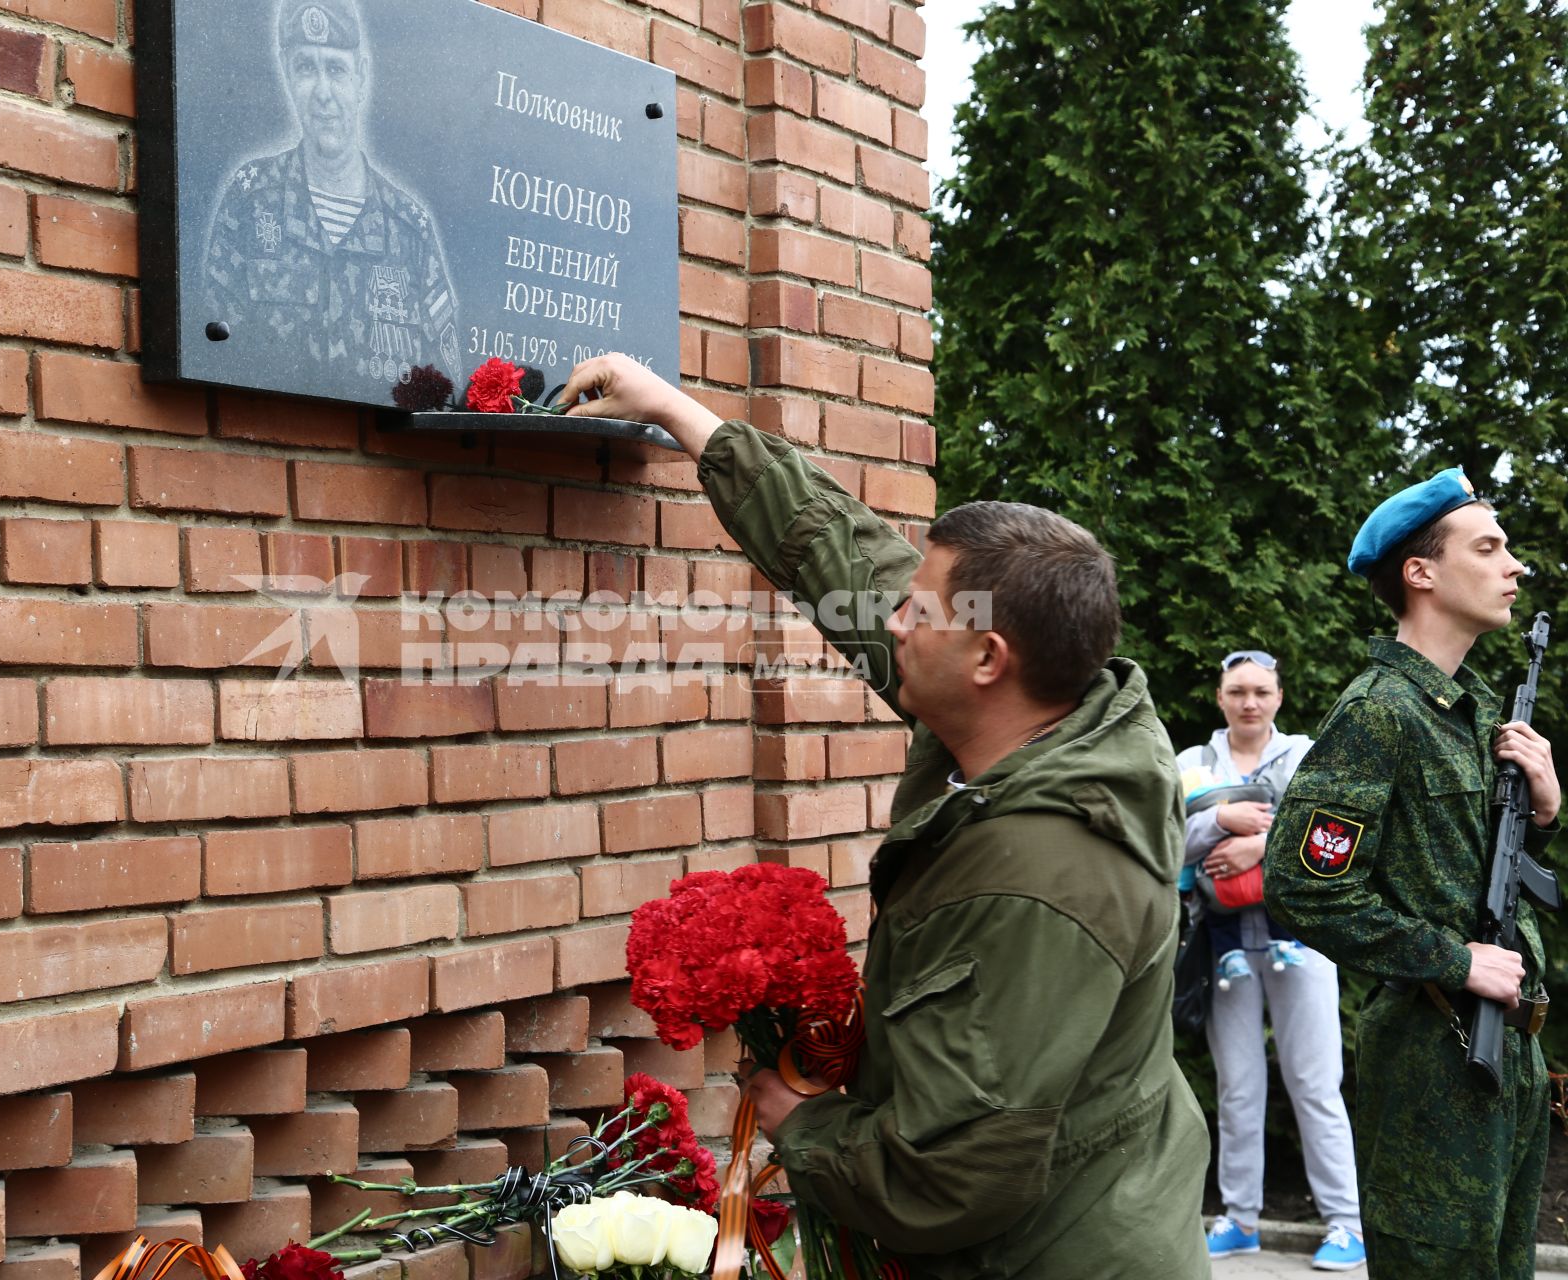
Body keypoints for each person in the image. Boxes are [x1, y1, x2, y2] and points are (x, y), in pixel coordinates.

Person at [559, 355, 1209, 1277]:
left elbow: (955, 1172)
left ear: (988, 655)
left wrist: (805, 1128)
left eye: (918, 610)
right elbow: (842, 550)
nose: (893, 620)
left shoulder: (1043, 876)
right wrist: (674, 411)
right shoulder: (1022, 717)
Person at [1264, 468, 1560, 1278]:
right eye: (1490, 547)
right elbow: (1302, 887)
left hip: (1510, 1061)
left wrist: (1542, 816)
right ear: (1420, 573)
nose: (1514, 566)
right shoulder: (1380, 713)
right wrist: (1455, 959)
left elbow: (1477, 871)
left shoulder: (1470, 710)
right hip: (1437, 1060)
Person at [1178, 650, 1364, 1271]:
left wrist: (1259, 842)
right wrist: (1218, 822)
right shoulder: (1191, 764)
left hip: (1303, 943)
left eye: (1261, 691)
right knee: (1236, 1088)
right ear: (1220, 697)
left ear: (1279, 698)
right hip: (1223, 948)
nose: (1249, 702)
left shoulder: (1308, 755)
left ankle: (1347, 1225)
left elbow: (1335, 830)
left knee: (1316, 1085)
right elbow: (1162, 837)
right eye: (1238, 691)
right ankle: (1240, 1220)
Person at [201, 0, 462, 402]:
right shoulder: (251, 201)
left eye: (336, 69)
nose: (323, 93)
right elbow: (210, 353)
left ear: (361, 74)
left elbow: (446, 391)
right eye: (307, 68)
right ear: (287, 71)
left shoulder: (410, 229)